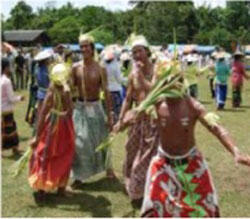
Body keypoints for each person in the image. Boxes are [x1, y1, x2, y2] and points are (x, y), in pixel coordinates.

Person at [140, 71, 250, 217]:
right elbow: (134, 113)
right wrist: (120, 123)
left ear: (182, 81)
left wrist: (235, 151)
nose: (172, 84)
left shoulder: (192, 105)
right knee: (157, 207)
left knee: (203, 208)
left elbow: (216, 129)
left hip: (192, 165)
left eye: (176, 80)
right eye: (167, 81)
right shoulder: (156, 104)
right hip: (163, 165)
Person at [113, 35, 159, 205]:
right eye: (133, 52)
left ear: (146, 52)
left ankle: (141, 191)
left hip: (153, 120)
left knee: (146, 156)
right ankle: (132, 185)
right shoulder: (132, 73)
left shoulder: (156, 70)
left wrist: (140, 74)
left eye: (139, 51)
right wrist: (121, 119)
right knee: (131, 152)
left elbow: (154, 90)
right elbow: (128, 98)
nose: (136, 55)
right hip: (136, 120)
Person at [70, 33, 116, 189]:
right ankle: (79, 176)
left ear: (92, 48)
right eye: (81, 46)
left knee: (102, 139)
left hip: (96, 106)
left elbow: (107, 91)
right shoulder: (75, 68)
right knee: (80, 142)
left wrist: (110, 114)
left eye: (86, 46)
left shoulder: (100, 68)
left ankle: (108, 168)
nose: (83, 49)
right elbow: (70, 90)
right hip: (80, 108)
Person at [29, 63, 75, 202]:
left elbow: (70, 111)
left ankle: (61, 187)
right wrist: (37, 136)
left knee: (66, 154)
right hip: (54, 127)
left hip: (64, 126)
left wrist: (67, 94)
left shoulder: (64, 91)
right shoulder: (52, 92)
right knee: (47, 153)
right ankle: (42, 187)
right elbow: (43, 113)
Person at [1, 58, 24, 155]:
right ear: (6, 68)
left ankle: (14, 148)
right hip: (6, 109)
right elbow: (11, 98)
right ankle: (13, 148)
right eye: (9, 67)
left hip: (2, 108)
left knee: (6, 129)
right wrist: (20, 98)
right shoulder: (7, 81)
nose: (10, 69)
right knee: (10, 130)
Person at [103, 50, 127, 122]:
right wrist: (128, 80)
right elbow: (119, 79)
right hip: (115, 90)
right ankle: (116, 122)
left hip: (107, 91)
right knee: (117, 108)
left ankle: (110, 121)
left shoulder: (103, 66)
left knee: (109, 108)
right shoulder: (115, 66)